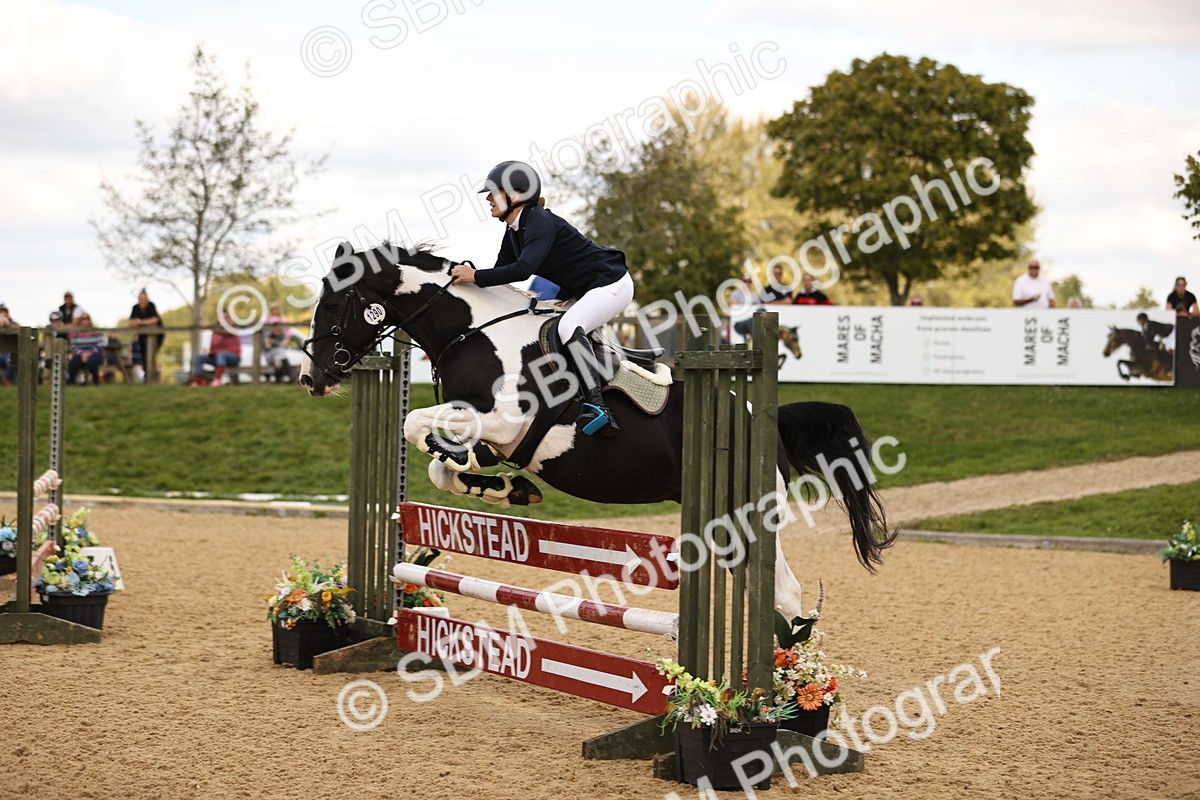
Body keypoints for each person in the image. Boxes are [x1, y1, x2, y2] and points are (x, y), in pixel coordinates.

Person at [449, 161, 633, 436]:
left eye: (494, 192)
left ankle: (598, 407)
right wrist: (465, 287)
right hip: (584, 290)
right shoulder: (514, 231)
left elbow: (523, 269)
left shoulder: (539, 221)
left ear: (517, 195)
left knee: (568, 328)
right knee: (544, 326)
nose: (487, 199)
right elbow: (502, 275)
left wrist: (474, 275)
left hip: (611, 284)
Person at [190, 314, 242, 386]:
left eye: (225, 317)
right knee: (200, 357)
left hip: (233, 358)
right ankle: (197, 381)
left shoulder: (233, 328)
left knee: (221, 354)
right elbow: (213, 347)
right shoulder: (215, 333)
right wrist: (210, 352)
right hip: (217, 358)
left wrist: (210, 327)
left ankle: (217, 380)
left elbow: (226, 332)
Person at [127, 289, 163, 383]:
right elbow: (131, 322)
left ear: (147, 299)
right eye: (140, 300)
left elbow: (155, 320)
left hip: (156, 335)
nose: (142, 302)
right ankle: (148, 378)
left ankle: (152, 378)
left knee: (151, 355)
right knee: (144, 356)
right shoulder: (135, 308)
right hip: (142, 336)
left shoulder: (151, 306)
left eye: (144, 299)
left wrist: (140, 322)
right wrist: (146, 322)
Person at [262, 303, 302, 382]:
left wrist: (276, 342)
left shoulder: (283, 333)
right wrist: (277, 342)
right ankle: (291, 376)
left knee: (279, 357)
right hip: (269, 355)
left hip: (278, 354)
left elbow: (286, 340)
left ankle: (280, 378)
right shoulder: (267, 334)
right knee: (280, 352)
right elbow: (268, 346)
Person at [66, 311, 106, 385]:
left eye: (87, 318)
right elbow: (73, 345)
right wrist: (82, 354)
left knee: (92, 362)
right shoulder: (76, 332)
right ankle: (71, 382)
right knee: (73, 363)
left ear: (90, 320)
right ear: (80, 321)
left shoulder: (96, 331)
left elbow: (102, 343)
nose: (85, 321)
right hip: (80, 353)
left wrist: (89, 353)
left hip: (94, 352)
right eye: (83, 319)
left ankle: (95, 380)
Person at [0, 303, 16, 385]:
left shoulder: (13, 324)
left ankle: (7, 382)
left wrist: (8, 325)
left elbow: (20, 331)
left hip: (9, 354)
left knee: (10, 362)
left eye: (4, 313)